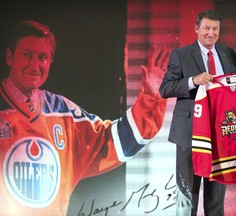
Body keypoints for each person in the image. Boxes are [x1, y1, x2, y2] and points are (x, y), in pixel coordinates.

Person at [0, 20, 169, 215]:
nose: (35, 65)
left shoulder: (63, 113)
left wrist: (151, 98)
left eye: (42, 57)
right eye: (27, 55)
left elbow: (114, 142)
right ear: (10, 57)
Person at [159, 10, 236, 216]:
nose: (211, 33)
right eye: (207, 28)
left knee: (216, 196)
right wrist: (193, 81)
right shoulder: (181, 55)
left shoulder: (228, 53)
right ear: (197, 29)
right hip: (189, 134)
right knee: (187, 195)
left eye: (215, 29)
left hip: (220, 134)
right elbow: (165, 88)